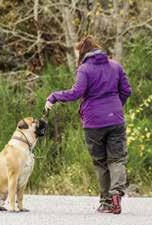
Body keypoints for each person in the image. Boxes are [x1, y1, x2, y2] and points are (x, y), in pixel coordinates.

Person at [45, 36, 132, 214]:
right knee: (117, 160)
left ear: (83, 52)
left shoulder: (84, 69)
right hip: (115, 119)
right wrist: (116, 106)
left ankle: (107, 202)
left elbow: (76, 93)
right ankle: (116, 194)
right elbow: (126, 91)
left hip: (93, 123)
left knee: (101, 162)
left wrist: (54, 96)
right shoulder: (115, 66)